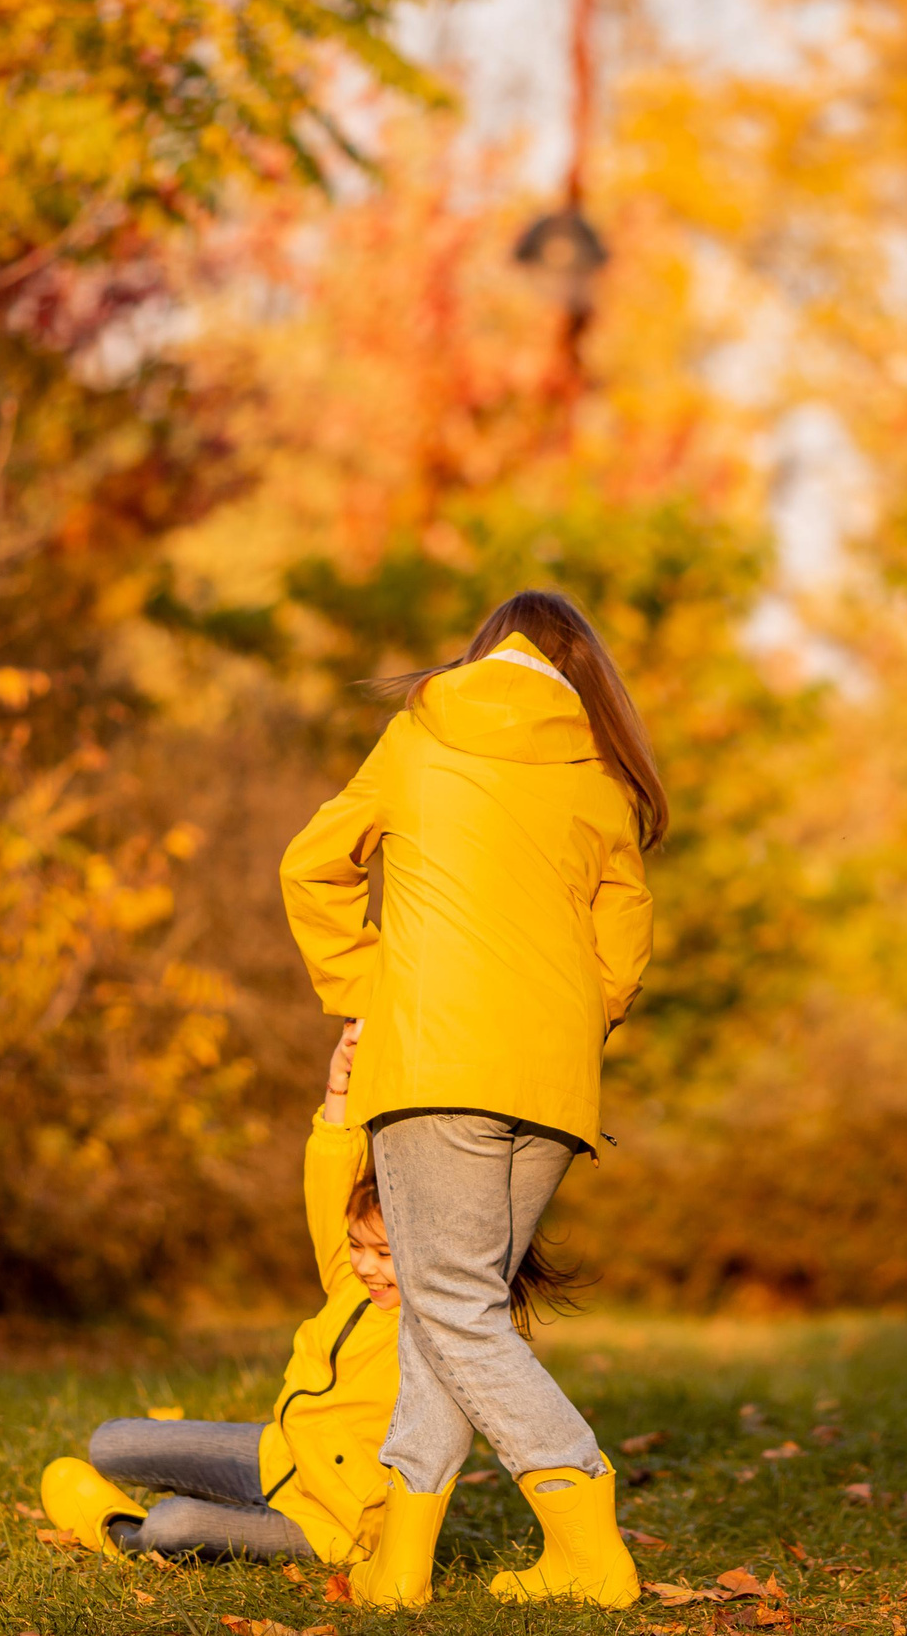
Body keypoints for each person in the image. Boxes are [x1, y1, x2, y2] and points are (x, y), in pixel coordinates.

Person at [279, 589, 662, 1610]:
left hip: (435, 1065)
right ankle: (400, 1567)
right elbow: (622, 949)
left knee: (450, 1307)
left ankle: (587, 1534)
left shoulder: (421, 728)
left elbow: (310, 866)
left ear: (486, 652)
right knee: (452, 1314)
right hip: (553, 1081)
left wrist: (368, 990)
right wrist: (568, 1030)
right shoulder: (602, 775)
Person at [35, 1038, 578, 1566]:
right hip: (278, 1457)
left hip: (334, 1525)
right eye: (360, 1247)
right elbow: (330, 1181)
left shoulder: (441, 1323)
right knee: (110, 1442)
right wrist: (339, 1090)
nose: (366, 1265)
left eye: (386, 1253)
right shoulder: (351, 1282)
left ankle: (124, 1533)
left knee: (173, 1525)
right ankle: (216, 1503)